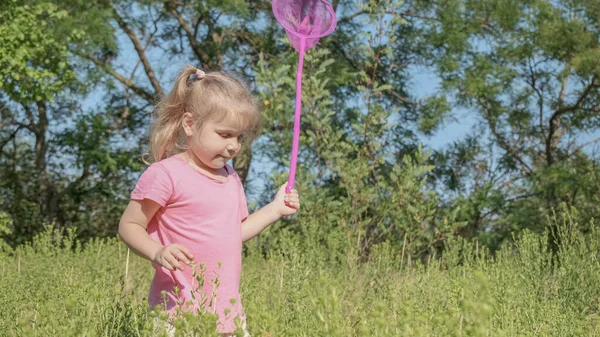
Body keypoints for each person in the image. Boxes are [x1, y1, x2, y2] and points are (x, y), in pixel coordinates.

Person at [118, 66, 301, 336]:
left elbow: (233, 233)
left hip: (228, 314)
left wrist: (274, 210)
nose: (234, 146)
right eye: (224, 134)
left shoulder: (230, 178)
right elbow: (129, 225)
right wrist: (157, 252)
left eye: (239, 137)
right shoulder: (166, 174)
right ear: (190, 124)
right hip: (176, 314)